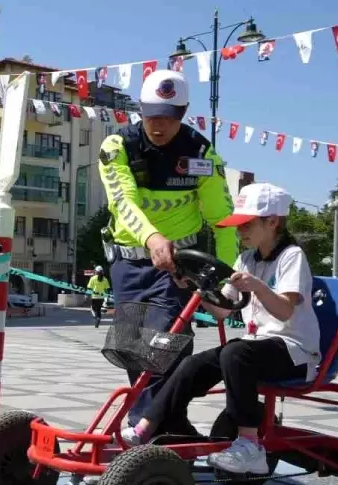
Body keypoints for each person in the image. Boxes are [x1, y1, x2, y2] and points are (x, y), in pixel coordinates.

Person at [125, 183, 322, 475]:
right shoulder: (246, 259)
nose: (240, 231)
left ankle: (250, 445)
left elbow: (285, 310)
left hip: (295, 351)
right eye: (238, 225)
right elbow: (222, 310)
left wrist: (257, 286)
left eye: (246, 224)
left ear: (273, 222)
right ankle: (146, 426)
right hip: (256, 348)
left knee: (235, 352)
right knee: (195, 363)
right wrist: (196, 287)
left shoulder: (291, 256)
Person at [97, 68, 237, 441]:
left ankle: (144, 430)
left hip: (177, 266)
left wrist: (228, 277)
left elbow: (222, 220)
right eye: (151, 114)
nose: (158, 124)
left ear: (184, 112)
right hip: (128, 260)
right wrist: (151, 237)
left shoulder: (201, 153)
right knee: (131, 348)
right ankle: (168, 426)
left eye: (169, 116)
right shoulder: (117, 147)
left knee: (163, 344)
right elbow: (122, 201)